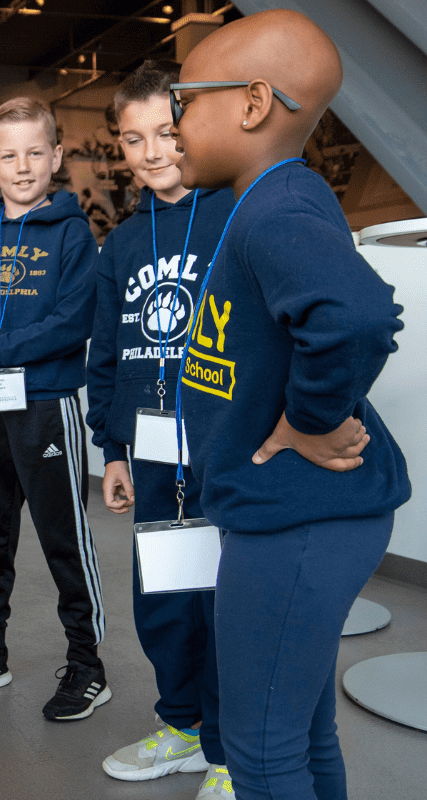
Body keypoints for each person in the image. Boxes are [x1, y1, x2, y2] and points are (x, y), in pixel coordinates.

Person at [171, 10, 410, 799]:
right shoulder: (270, 200)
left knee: (262, 752)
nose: (174, 124)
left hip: (298, 518)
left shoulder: (277, 206)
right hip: (293, 514)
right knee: (303, 732)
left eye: (184, 102)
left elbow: (359, 315)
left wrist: (305, 422)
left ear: (251, 103)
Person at [84, 61, 236, 797]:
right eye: (134, 137)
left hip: (225, 452)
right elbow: (108, 353)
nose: (152, 152)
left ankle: (233, 751)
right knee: (165, 601)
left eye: (167, 133)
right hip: (149, 459)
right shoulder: (118, 245)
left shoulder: (234, 213)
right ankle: (182, 727)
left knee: (225, 603)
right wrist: (109, 449)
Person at [0, 97, 106, 721]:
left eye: (36, 152)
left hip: (47, 407)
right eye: (9, 155)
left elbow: (75, 320)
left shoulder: (72, 233)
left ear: (57, 156)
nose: (23, 165)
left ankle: (88, 665)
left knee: (65, 540)